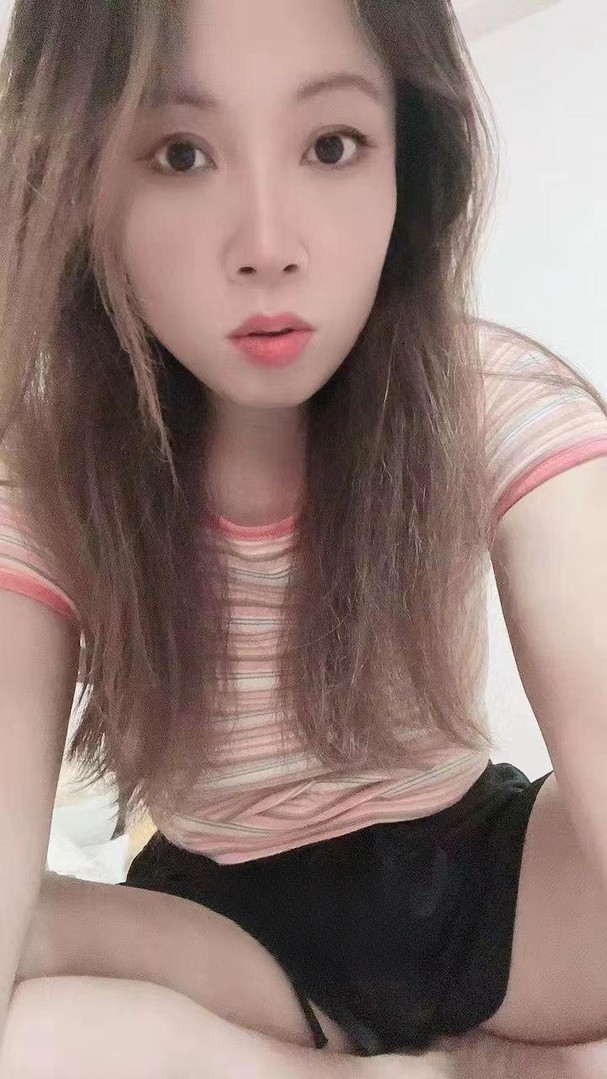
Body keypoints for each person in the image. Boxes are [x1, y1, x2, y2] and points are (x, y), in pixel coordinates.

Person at [1, 0, 607, 1074]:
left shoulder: (491, 401)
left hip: (491, 895)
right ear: (78, 176)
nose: (268, 246)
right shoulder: (47, 481)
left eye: (331, 145)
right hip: (228, 936)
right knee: (34, 1029)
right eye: (181, 154)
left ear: (408, 157)